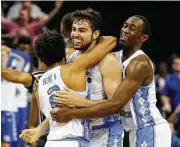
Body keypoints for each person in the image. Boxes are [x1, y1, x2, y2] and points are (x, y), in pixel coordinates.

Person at [51, 15, 171, 147]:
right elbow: (105, 40)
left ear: (143, 38)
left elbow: (115, 105)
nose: (125, 30)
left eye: (132, 28)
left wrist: (73, 113)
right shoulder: (114, 57)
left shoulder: (139, 63)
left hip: (150, 127)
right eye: (125, 25)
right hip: (131, 130)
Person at [18, 30, 116, 147]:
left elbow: (54, 117)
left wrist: (38, 130)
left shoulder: (39, 86)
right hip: (75, 141)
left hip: (51, 142)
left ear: (41, 61)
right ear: (64, 53)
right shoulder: (74, 69)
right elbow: (111, 41)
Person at [54, 8, 124, 147]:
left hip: (107, 132)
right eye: (74, 29)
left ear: (95, 34)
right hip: (81, 132)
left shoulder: (108, 61)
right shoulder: (71, 59)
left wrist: (80, 103)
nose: (75, 34)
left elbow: (115, 106)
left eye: (82, 30)